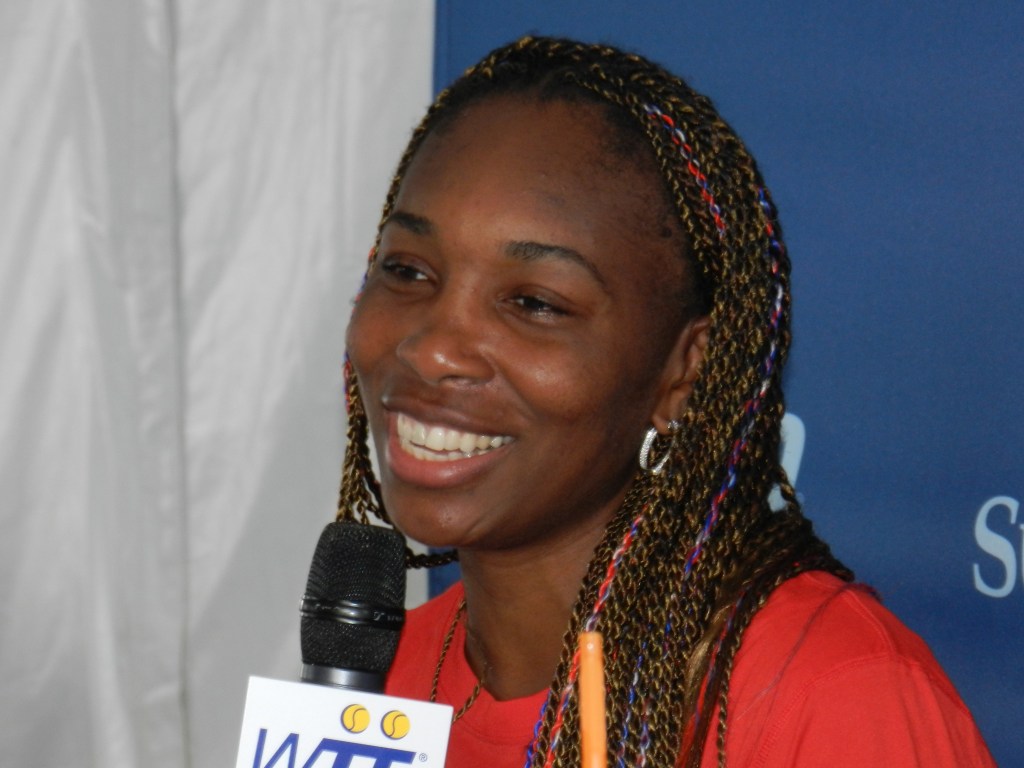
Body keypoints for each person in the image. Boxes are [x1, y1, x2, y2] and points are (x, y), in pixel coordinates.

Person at [338, 36, 995, 767]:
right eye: (407, 269)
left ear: (685, 370)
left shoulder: (834, 696)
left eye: (533, 303)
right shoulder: (376, 683)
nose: (433, 349)